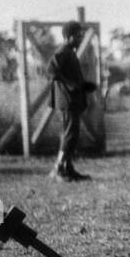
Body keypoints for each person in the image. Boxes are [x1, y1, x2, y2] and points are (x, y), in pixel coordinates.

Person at [46, 21, 96, 182]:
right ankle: (59, 169)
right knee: (69, 134)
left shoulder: (70, 52)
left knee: (71, 134)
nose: (80, 38)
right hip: (66, 100)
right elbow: (51, 71)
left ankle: (68, 167)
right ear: (68, 37)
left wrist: (83, 85)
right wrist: (69, 84)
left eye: (81, 35)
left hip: (72, 100)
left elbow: (68, 75)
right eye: (78, 35)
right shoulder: (63, 51)